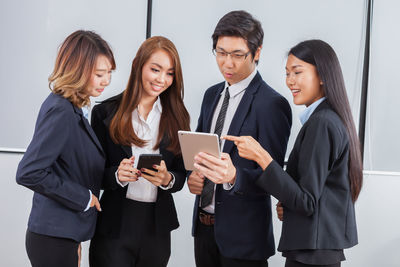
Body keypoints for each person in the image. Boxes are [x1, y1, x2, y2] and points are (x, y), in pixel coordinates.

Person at [223, 39, 363, 267]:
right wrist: (287, 204)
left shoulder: (322, 123)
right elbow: (311, 195)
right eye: (287, 73)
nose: (290, 81)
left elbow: (306, 201)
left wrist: (262, 156)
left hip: (312, 255)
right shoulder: (328, 119)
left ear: (322, 76)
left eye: (297, 72)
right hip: (315, 250)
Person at [187, 10, 292, 267]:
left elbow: (274, 178)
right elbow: (201, 154)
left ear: (257, 53)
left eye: (237, 55)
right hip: (204, 230)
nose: (227, 63)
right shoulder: (211, 95)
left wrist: (234, 177)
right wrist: (194, 177)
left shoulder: (271, 104)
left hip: (244, 241)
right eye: (221, 53)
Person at [16, 30, 115, 267]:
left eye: (109, 73)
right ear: (78, 70)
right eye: (100, 74)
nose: (106, 81)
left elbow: (73, 167)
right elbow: (28, 172)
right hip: (54, 236)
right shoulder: (61, 110)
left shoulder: (73, 108)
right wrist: (83, 198)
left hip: (64, 234)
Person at [88, 36, 190, 267]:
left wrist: (168, 179)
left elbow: (182, 175)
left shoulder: (178, 118)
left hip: (157, 227)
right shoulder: (105, 112)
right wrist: (116, 174)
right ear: (138, 65)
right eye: (155, 69)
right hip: (115, 223)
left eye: (170, 73)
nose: (162, 79)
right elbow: (92, 175)